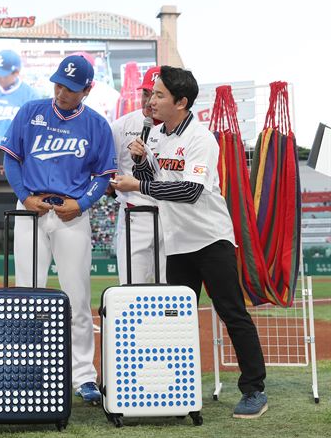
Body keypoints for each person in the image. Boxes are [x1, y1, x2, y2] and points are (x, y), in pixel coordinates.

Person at [112, 65, 268, 419]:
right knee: (175, 318)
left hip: (211, 239)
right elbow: (155, 179)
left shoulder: (201, 138)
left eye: (159, 95)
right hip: (177, 242)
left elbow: (189, 190)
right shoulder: (156, 134)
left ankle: (254, 389)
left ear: (181, 102)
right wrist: (141, 162)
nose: (151, 100)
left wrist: (138, 184)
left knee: (231, 312)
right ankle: (172, 387)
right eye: (151, 93)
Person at [0, 54, 117, 404]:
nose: (62, 92)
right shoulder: (31, 112)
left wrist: (82, 204)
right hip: (31, 208)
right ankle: (27, 369)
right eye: (59, 84)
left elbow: (103, 176)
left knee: (77, 296)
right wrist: (23, 195)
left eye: (71, 88)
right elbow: (11, 158)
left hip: (72, 213)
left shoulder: (96, 125)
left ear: (88, 89)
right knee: (28, 294)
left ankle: (84, 376)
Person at [109, 66, 166, 284]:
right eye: (145, 93)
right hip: (135, 212)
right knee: (132, 286)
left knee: (170, 287)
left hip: (171, 213)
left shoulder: (178, 129)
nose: (149, 100)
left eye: (156, 94)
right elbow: (106, 171)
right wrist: (117, 192)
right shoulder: (120, 126)